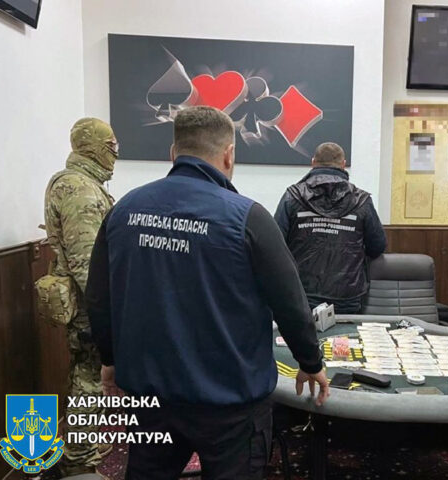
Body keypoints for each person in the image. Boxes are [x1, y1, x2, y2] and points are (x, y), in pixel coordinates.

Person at [86, 106, 329, 480]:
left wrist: (109, 358)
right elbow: (290, 304)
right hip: (230, 405)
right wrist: (310, 362)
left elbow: (99, 296)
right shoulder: (247, 217)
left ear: (173, 153)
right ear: (229, 154)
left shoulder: (124, 210)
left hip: (151, 397)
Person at [43, 118, 118, 478]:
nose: (115, 154)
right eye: (111, 146)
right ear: (93, 148)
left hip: (89, 303)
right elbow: (87, 264)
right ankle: (79, 460)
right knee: (88, 381)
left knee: (86, 377)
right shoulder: (80, 190)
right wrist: (108, 314)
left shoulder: (82, 184)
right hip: (90, 307)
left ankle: (80, 449)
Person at [274, 142, 387, 313]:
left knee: (300, 332)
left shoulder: (293, 196)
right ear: (343, 164)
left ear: (313, 162)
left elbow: (276, 245)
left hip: (302, 293)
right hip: (347, 294)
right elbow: (377, 246)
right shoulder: (361, 200)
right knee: (346, 332)